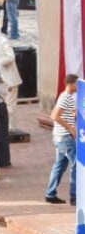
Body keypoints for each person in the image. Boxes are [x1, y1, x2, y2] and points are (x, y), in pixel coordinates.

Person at [45, 74, 78, 204]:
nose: (78, 87)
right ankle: (74, 197)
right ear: (71, 84)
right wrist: (70, 127)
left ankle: (50, 193)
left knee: (59, 165)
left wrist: (73, 114)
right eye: (77, 84)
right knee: (76, 163)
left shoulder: (66, 97)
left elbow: (65, 113)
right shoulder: (65, 97)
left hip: (59, 136)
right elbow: (54, 115)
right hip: (64, 136)